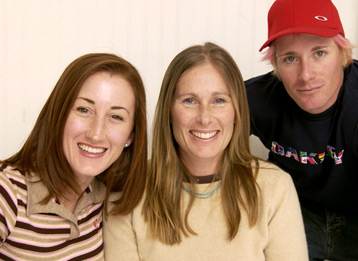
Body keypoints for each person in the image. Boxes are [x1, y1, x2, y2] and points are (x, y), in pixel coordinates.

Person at [103, 42, 308, 260]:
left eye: (219, 100)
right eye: (189, 100)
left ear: (237, 111)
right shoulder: (128, 187)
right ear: (169, 112)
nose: (205, 117)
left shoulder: (275, 187)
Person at [245, 0, 358, 260]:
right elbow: (199, 127)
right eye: (290, 58)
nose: (306, 75)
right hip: (295, 209)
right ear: (276, 66)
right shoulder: (257, 100)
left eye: (319, 53)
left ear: (343, 54)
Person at [0, 53, 147, 260]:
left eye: (116, 117)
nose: (96, 134)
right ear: (58, 115)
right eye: (84, 109)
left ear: (130, 136)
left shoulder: (105, 196)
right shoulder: (8, 191)